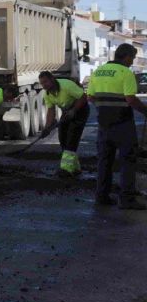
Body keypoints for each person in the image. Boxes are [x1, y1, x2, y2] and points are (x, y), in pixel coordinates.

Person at [87, 43, 147, 210]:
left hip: (103, 124)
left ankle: (102, 196)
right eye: (132, 58)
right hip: (123, 124)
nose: (132, 61)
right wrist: (145, 111)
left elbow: (90, 97)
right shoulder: (125, 73)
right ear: (126, 56)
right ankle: (127, 199)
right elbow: (130, 99)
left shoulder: (98, 72)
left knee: (104, 161)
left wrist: (105, 105)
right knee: (128, 160)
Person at [38, 71, 90, 178]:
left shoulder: (66, 85)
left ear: (52, 79)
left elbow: (83, 97)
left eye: (45, 82)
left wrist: (74, 110)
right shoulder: (47, 94)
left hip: (80, 110)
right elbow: (51, 111)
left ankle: (66, 169)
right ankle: (75, 168)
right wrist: (47, 128)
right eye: (42, 83)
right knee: (63, 138)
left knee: (72, 139)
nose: (44, 86)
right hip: (67, 111)